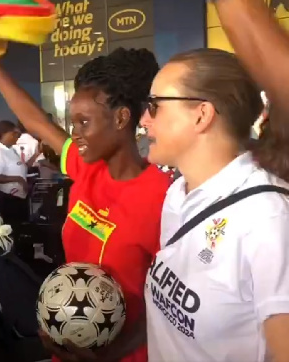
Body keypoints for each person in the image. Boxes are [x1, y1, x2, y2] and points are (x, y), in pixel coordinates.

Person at [0, 35, 171, 362]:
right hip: (66, 349)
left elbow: (165, 303)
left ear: (122, 119)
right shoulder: (86, 168)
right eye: (72, 121)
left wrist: (109, 356)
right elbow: (37, 119)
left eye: (84, 122)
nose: (74, 133)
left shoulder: (164, 196)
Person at [142, 1, 289, 361]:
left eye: (155, 105)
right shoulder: (179, 193)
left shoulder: (268, 220)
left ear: (201, 114)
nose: (144, 119)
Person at [0, 120, 41, 225]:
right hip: (8, 199)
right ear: (4, 134)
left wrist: (37, 154)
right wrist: (19, 179)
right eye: (14, 134)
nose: (17, 137)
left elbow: (24, 166)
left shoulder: (12, 149)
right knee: (13, 227)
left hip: (20, 197)